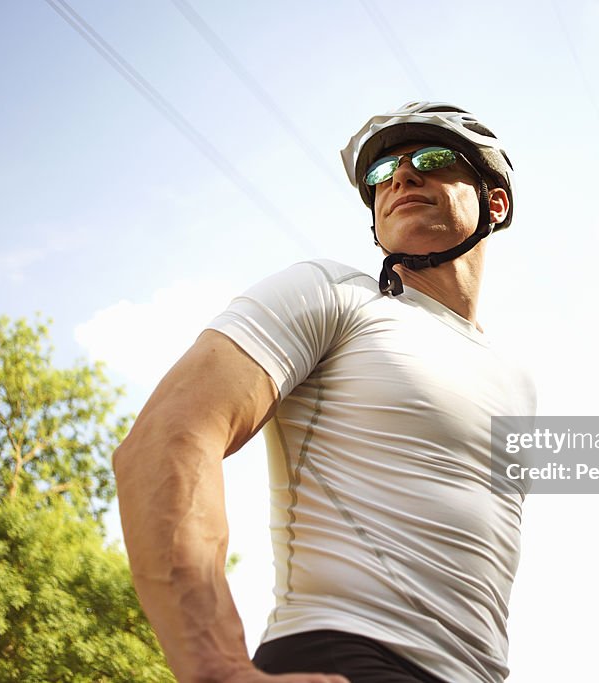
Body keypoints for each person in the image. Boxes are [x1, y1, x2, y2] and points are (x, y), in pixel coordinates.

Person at [112, 102, 536, 683]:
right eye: (381, 174)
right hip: (347, 655)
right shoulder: (333, 294)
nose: (402, 176)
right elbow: (168, 437)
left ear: (495, 202)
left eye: (432, 159)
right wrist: (215, 668)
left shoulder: (518, 381)